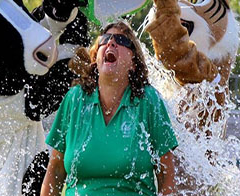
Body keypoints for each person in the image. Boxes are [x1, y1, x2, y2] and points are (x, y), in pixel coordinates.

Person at [40, 21, 178, 196]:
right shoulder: (74, 99)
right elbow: (55, 172)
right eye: (104, 39)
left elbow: (167, 177)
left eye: (121, 40)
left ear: (133, 63)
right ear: (95, 58)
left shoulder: (149, 101)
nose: (111, 43)